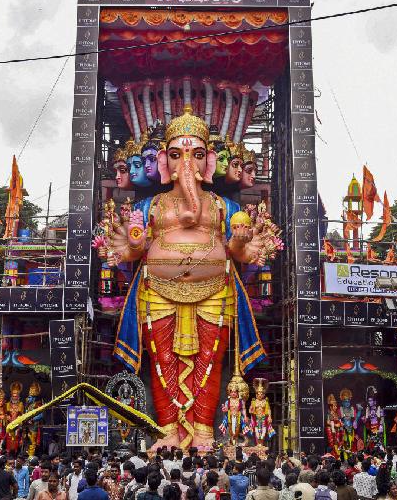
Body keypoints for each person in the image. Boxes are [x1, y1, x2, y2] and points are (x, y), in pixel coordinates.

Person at [105, 107, 274, 450]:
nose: (186, 163)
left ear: (208, 163)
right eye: (176, 154)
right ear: (165, 164)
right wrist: (135, 243)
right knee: (162, 359)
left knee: (211, 361)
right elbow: (129, 249)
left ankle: (204, 431)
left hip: (215, 291)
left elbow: (240, 253)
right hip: (157, 292)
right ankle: (167, 431)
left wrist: (240, 240)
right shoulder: (150, 205)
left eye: (196, 154)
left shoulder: (224, 207)